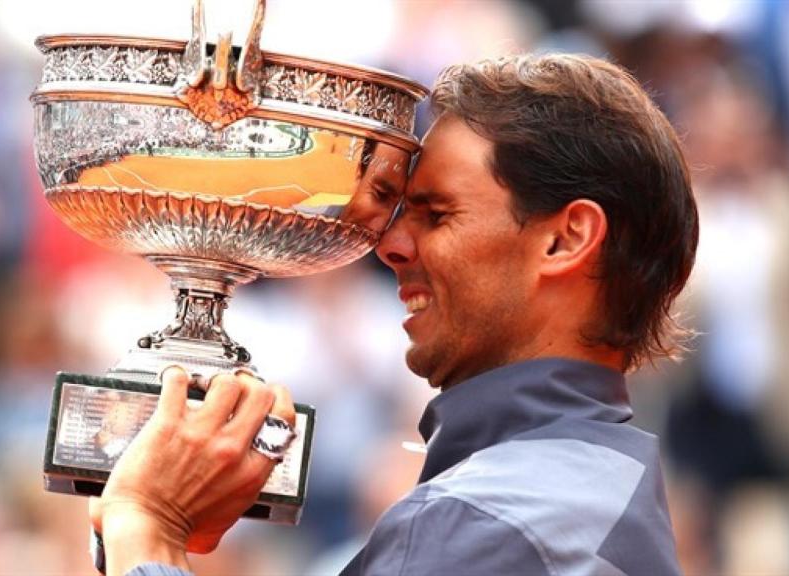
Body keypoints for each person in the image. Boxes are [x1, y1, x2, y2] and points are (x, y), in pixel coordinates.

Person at [87, 53, 699, 576]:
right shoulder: (599, 481)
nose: (390, 245)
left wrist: (151, 526)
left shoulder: (487, 519)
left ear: (566, 240)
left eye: (437, 214)